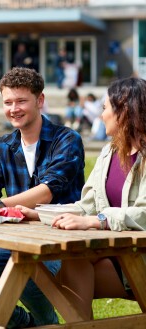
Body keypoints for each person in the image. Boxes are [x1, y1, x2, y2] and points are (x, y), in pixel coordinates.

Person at [0, 67, 85, 328]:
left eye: (21, 101)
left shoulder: (67, 139)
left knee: (19, 268)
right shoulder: (3, 145)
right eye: (8, 102)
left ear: (40, 100)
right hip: (17, 243)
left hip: (60, 242)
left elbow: (48, 191)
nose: (14, 108)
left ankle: (46, 323)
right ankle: (30, 325)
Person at [23, 77, 146, 320]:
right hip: (117, 256)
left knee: (54, 276)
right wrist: (40, 213)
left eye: (105, 108)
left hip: (139, 258)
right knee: (55, 270)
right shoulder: (109, 152)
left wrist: (97, 221)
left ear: (124, 111)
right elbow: (86, 206)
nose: (101, 116)